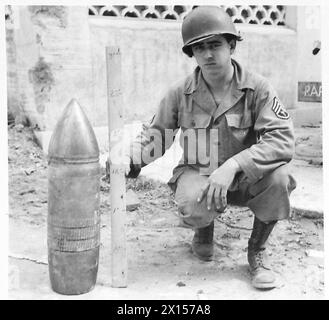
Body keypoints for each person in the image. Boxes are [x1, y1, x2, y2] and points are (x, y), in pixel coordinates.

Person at [122, 6, 296, 290]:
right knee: (192, 204)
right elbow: (158, 135)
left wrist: (233, 165)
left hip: (244, 178)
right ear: (191, 53)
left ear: (231, 45)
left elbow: (282, 139)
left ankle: (257, 250)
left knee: (279, 179)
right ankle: (204, 231)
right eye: (199, 48)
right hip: (199, 173)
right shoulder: (180, 92)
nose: (208, 54)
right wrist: (129, 159)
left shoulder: (259, 89)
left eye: (215, 45)